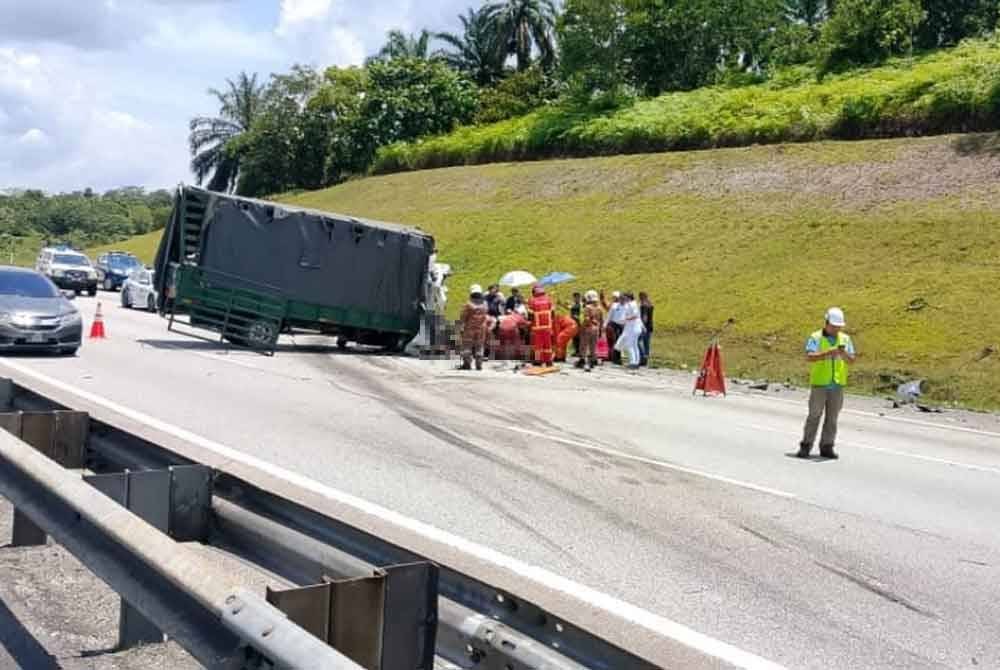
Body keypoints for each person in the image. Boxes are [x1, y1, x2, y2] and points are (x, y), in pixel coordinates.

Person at [798, 307, 857, 460]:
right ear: (826, 323)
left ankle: (827, 447)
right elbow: (810, 356)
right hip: (820, 384)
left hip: (837, 385)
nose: (836, 329)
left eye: (839, 326)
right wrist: (827, 353)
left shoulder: (845, 339)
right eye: (834, 326)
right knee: (814, 416)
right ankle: (806, 446)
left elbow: (851, 360)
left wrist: (843, 353)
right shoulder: (816, 337)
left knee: (832, 418)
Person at [459, 284, 491, 371]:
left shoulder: (468, 305)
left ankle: (467, 364)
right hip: (481, 329)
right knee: (479, 346)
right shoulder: (485, 304)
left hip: (470, 329)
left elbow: (463, 317)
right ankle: (479, 364)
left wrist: (461, 326)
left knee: (467, 346)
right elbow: (486, 315)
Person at [614, 292, 645, 370]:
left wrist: (625, 319)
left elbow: (635, 315)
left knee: (630, 345)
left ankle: (632, 362)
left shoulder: (632, 304)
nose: (624, 299)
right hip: (633, 327)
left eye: (625, 297)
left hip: (633, 328)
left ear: (628, 297)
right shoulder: (632, 304)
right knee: (634, 345)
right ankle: (636, 362)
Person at [527, 284, 554, 366]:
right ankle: (549, 361)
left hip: (537, 327)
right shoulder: (548, 299)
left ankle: (538, 360)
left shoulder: (532, 300)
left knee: (538, 345)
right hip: (547, 326)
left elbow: (530, 314)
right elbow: (553, 312)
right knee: (548, 344)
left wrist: (530, 323)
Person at [578, 290, 604, 371]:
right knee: (593, 346)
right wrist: (600, 330)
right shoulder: (599, 308)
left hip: (588, 328)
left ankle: (582, 360)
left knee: (584, 345)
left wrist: (582, 327)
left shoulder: (588, 308)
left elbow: (586, 319)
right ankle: (593, 360)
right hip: (596, 328)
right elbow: (601, 320)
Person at [603, 291, 626, 365]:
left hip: (622, 326)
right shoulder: (614, 305)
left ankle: (617, 357)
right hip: (614, 325)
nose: (621, 300)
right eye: (620, 298)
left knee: (619, 342)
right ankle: (615, 358)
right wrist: (605, 324)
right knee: (614, 341)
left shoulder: (627, 306)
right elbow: (609, 315)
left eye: (623, 298)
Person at [639, 292, 654, 366]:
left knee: (638, 341)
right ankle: (646, 359)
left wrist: (642, 326)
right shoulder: (650, 304)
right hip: (650, 326)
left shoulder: (644, 305)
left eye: (640, 297)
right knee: (647, 344)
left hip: (645, 327)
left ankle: (643, 358)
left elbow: (645, 317)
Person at [569, 292, 583, 356]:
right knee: (574, 337)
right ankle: (576, 351)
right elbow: (569, 308)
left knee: (579, 338)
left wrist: (577, 316)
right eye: (574, 297)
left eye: (577, 297)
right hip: (573, 323)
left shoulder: (581, 304)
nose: (575, 299)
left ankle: (580, 351)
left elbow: (582, 313)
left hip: (579, 322)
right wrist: (561, 304)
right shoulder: (574, 304)